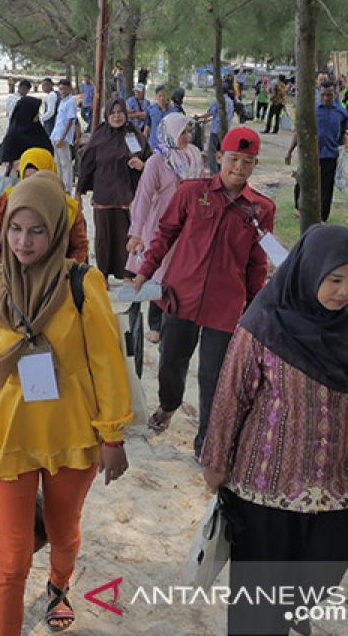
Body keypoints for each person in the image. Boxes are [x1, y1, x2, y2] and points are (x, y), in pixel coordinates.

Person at [0, 171, 131, 636]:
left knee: (63, 533)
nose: (24, 242)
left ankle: (60, 587)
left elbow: (107, 365)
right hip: (12, 437)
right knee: (12, 555)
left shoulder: (84, 284)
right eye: (15, 229)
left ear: (57, 230)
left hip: (72, 435)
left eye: (37, 229)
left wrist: (113, 436)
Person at [201, 225, 348, 635]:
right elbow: (231, 395)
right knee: (257, 606)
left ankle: (290, 611)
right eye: (335, 280)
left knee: (324, 570)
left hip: (336, 488)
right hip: (263, 487)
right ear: (310, 273)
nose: (345, 291)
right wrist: (216, 460)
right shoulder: (264, 322)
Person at [132, 127, 274, 456]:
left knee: (215, 378)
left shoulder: (261, 209)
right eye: (233, 159)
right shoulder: (192, 192)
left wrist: (255, 308)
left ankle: (206, 441)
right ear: (220, 157)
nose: (238, 167)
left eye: (247, 161)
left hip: (226, 307)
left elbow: (257, 262)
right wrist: (145, 271)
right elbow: (164, 233)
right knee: (171, 362)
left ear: (255, 164)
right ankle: (168, 406)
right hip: (181, 296)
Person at [125, 114, 203, 343]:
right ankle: (156, 324)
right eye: (182, 133)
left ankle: (178, 318)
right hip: (161, 224)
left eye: (188, 132)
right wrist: (136, 233)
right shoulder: (157, 162)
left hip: (188, 224)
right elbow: (144, 198)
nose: (187, 137)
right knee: (158, 272)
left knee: (181, 270)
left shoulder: (194, 155)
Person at [0, 147, 89, 274]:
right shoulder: (9, 199)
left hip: (52, 277)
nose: (32, 184)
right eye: (27, 179)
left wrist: (66, 274)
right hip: (12, 273)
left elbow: (79, 246)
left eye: (38, 178)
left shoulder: (67, 206)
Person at [77, 98, 151, 279]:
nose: (117, 116)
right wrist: (79, 192)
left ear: (126, 114)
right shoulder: (99, 135)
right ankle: (102, 274)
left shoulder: (133, 135)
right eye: (113, 113)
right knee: (103, 236)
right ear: (107, 115)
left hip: (124, 194)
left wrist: (141, 164)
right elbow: (87, 164)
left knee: (125, 234)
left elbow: (150, 160)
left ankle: (126, 272)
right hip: (103, 194)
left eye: (120, 112)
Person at [287, 80, 348, 222]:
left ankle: (322, 217)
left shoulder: (341, 112)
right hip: (310, 155)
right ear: (319, 93)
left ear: (334, 94)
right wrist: (290, 151)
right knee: (301, 182)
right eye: (323, 94)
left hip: (330, 155)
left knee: (326, 188)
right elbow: (299, 131)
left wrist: (347, 142)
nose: (326, 98)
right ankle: (299, 208)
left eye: (329, 95)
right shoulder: (312, 109)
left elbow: (344, 132)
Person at [0, 95, 53, 198]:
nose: (38, 114)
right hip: (16, 182)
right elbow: (8, 160)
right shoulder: (15, 134)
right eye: (36, 111)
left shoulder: (36, 131)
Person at [50, 79, 81, 193]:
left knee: (65, 163)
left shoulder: (71, 101)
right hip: (56, 134)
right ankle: (60, 183)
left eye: (64, 88)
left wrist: (63, 137)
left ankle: (67, 187)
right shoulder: (62, 101)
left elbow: (70, 120)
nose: (62, 91)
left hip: (62, 136)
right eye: (61, 89)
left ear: (69, 89)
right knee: (58, 162)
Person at [202, 89, 236, 173]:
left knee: (212, 152)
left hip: (216, 130)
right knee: (222, 151)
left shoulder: (219, 101)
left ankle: (214, 172)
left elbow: (210, 113)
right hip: (225, 130)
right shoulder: (230, 101)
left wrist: (198, 117)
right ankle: (222, 170)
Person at [144, 85, 174, 151]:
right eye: (160, 96)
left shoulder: (173, 111)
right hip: (154, 145)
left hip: (168, 146)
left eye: (164, 95)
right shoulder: (150, 110)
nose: (162, 98)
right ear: (156, 96)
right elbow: (147, 129)